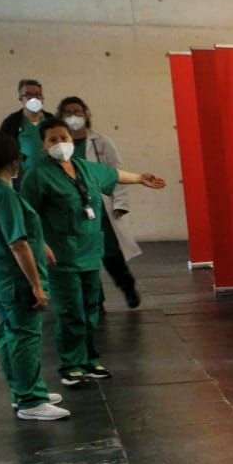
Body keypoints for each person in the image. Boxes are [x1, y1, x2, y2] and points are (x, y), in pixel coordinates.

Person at [19, 116, 165, 388]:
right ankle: (71, 364)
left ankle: (89, 359)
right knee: (71, 310)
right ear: (43, 145)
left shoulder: (84, 167)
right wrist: (41, 244)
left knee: (90, 308)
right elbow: (28, 214)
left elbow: (113, 174)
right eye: (53, 139)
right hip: (61, 254)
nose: (60, 143)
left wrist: (140, 178)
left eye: (63, 138)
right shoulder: (38, 175)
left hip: (88, 251)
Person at [0, 131, 66, 421]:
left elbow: (11, 233)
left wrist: (43, 245)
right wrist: (36, 285)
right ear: (14, 160)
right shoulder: (4, 195)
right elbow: (17, 243)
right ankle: (30, 399)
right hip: (14, 280)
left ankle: (23, 389)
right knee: (24, 337)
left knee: (10, 335)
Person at [57, 96, 142, 309]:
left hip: (100, 208)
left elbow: (116, 171)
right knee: (85, 258)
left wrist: (120, 203)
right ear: (60, 117)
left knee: (111, 254)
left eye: (78, 111)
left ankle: (128, 288)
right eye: (68, 113)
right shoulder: (58, 147)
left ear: (86, 114)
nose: (74, 117)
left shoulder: (101, 142)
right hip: (73, 212)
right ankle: (95, 301)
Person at [0, 79, 54, 173]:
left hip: (49, 174)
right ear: (21, 99)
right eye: (28, 95)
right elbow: (2, 151)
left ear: (42, 98)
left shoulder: (51, 120)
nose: (33, 99)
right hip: (22, 177)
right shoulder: (11, 123)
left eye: (37, 95)